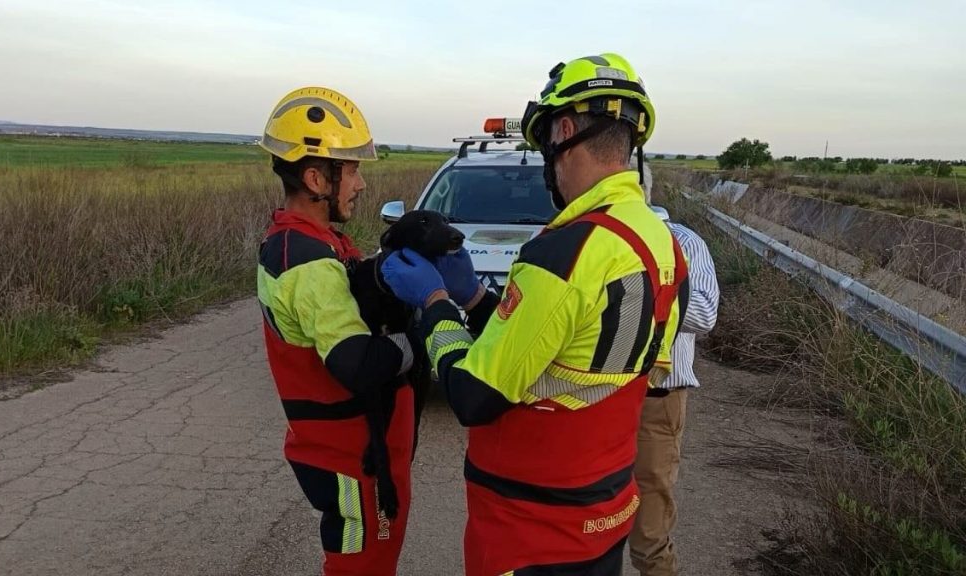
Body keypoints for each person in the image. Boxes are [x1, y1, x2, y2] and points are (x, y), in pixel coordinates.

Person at [383, 53, 690, 575]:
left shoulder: (565, 253)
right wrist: (477, 301)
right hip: (603, 512)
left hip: (529, 527)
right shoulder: (662, 244)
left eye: (545, 142)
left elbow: (472, 396)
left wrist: (435, 302)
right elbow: (559, 352)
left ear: (563, 130)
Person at [255, 87, 417, 576]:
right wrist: (419, 339)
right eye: (352, 170)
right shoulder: (308, 262)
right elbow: (357, 365)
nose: (361, 184)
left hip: (355, 450)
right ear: (315, 178)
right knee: (362, 567)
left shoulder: (310, 242)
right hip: (352, 459)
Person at [629, 203, 719, 576]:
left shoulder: (683, 241)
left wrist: (638, 294)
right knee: (589, 522)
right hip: (596, 398)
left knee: (649, 532)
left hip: (657, 399)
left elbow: (704, 314)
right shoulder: (594, 236)